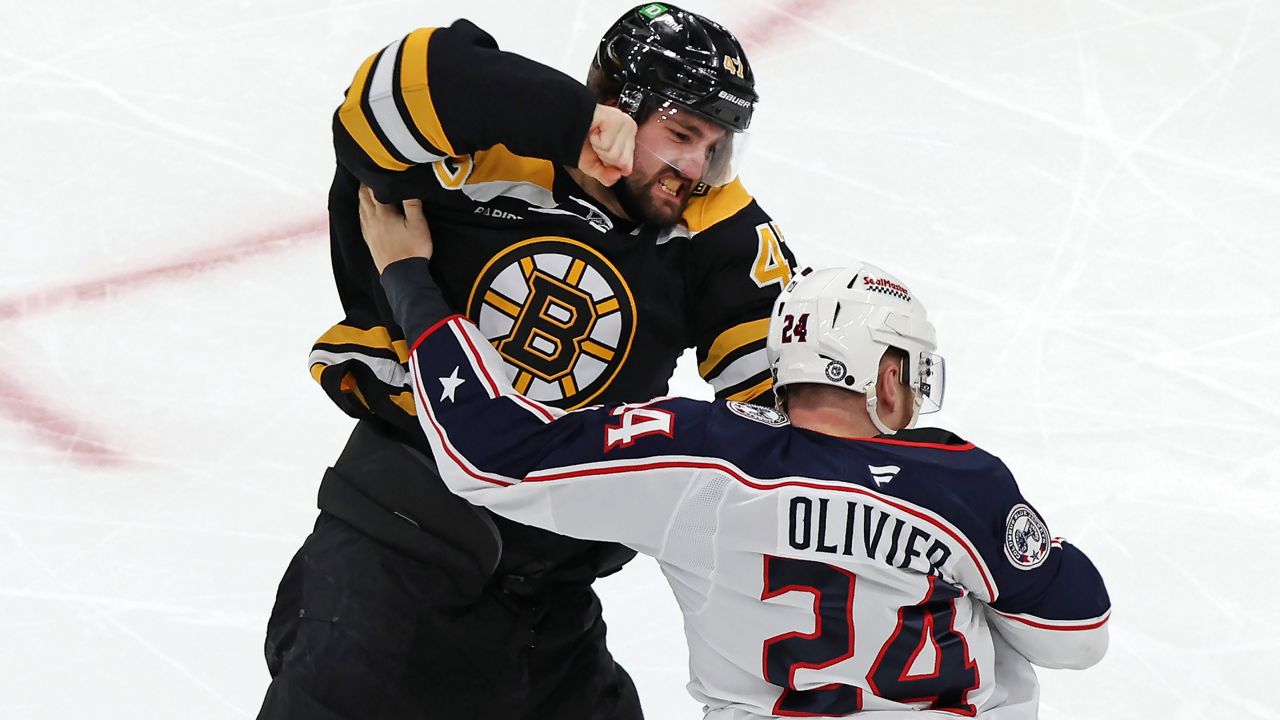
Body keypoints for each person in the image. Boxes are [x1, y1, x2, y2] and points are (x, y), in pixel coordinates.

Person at [357, 188, 1112, 719]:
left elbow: (487, 454)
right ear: (887, 373)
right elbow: (1079, 639)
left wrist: (409, 280)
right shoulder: (961, 482)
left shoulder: (697, 455)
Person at [259, 4, 797, 719]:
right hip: (400, 542)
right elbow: (385, 95)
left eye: (718, 146)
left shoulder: (710, 223)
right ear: (616, 108)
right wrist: (571, 121)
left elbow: (790, 393)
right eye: (682, 134)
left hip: (550, 595)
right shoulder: (482, 155)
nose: (695, 168)